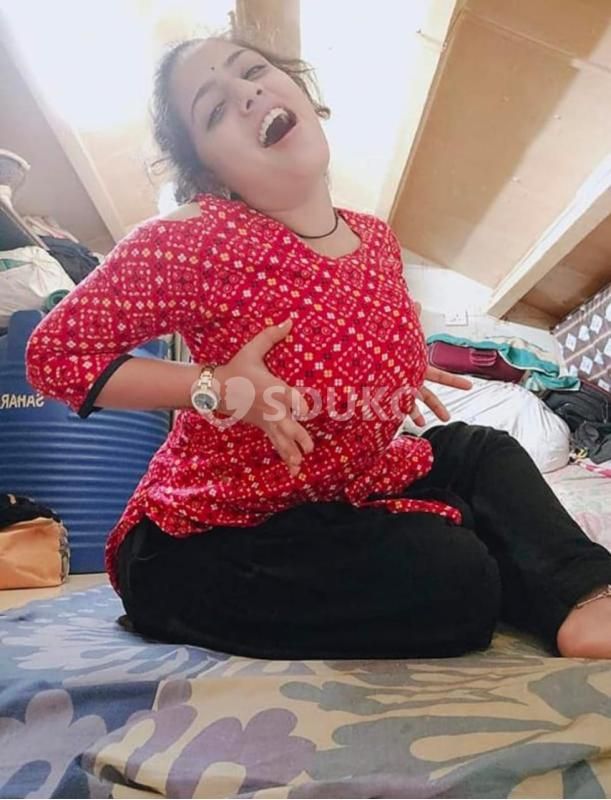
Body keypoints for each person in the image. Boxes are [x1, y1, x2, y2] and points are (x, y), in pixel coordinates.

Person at [26, 33, 611, 661]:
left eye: (253, 70)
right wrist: (214, 386)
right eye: (214, 109)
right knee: (454, 573)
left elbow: (348, 333)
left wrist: (393, 368)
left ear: (299, 90)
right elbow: (53, 357)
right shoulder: (192, 239)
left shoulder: (376, 239)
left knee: (480, 453)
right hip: (208, 534)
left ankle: (586, 599)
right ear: (208, 172)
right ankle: (495, 577)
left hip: (337, 491)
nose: (247, 93)